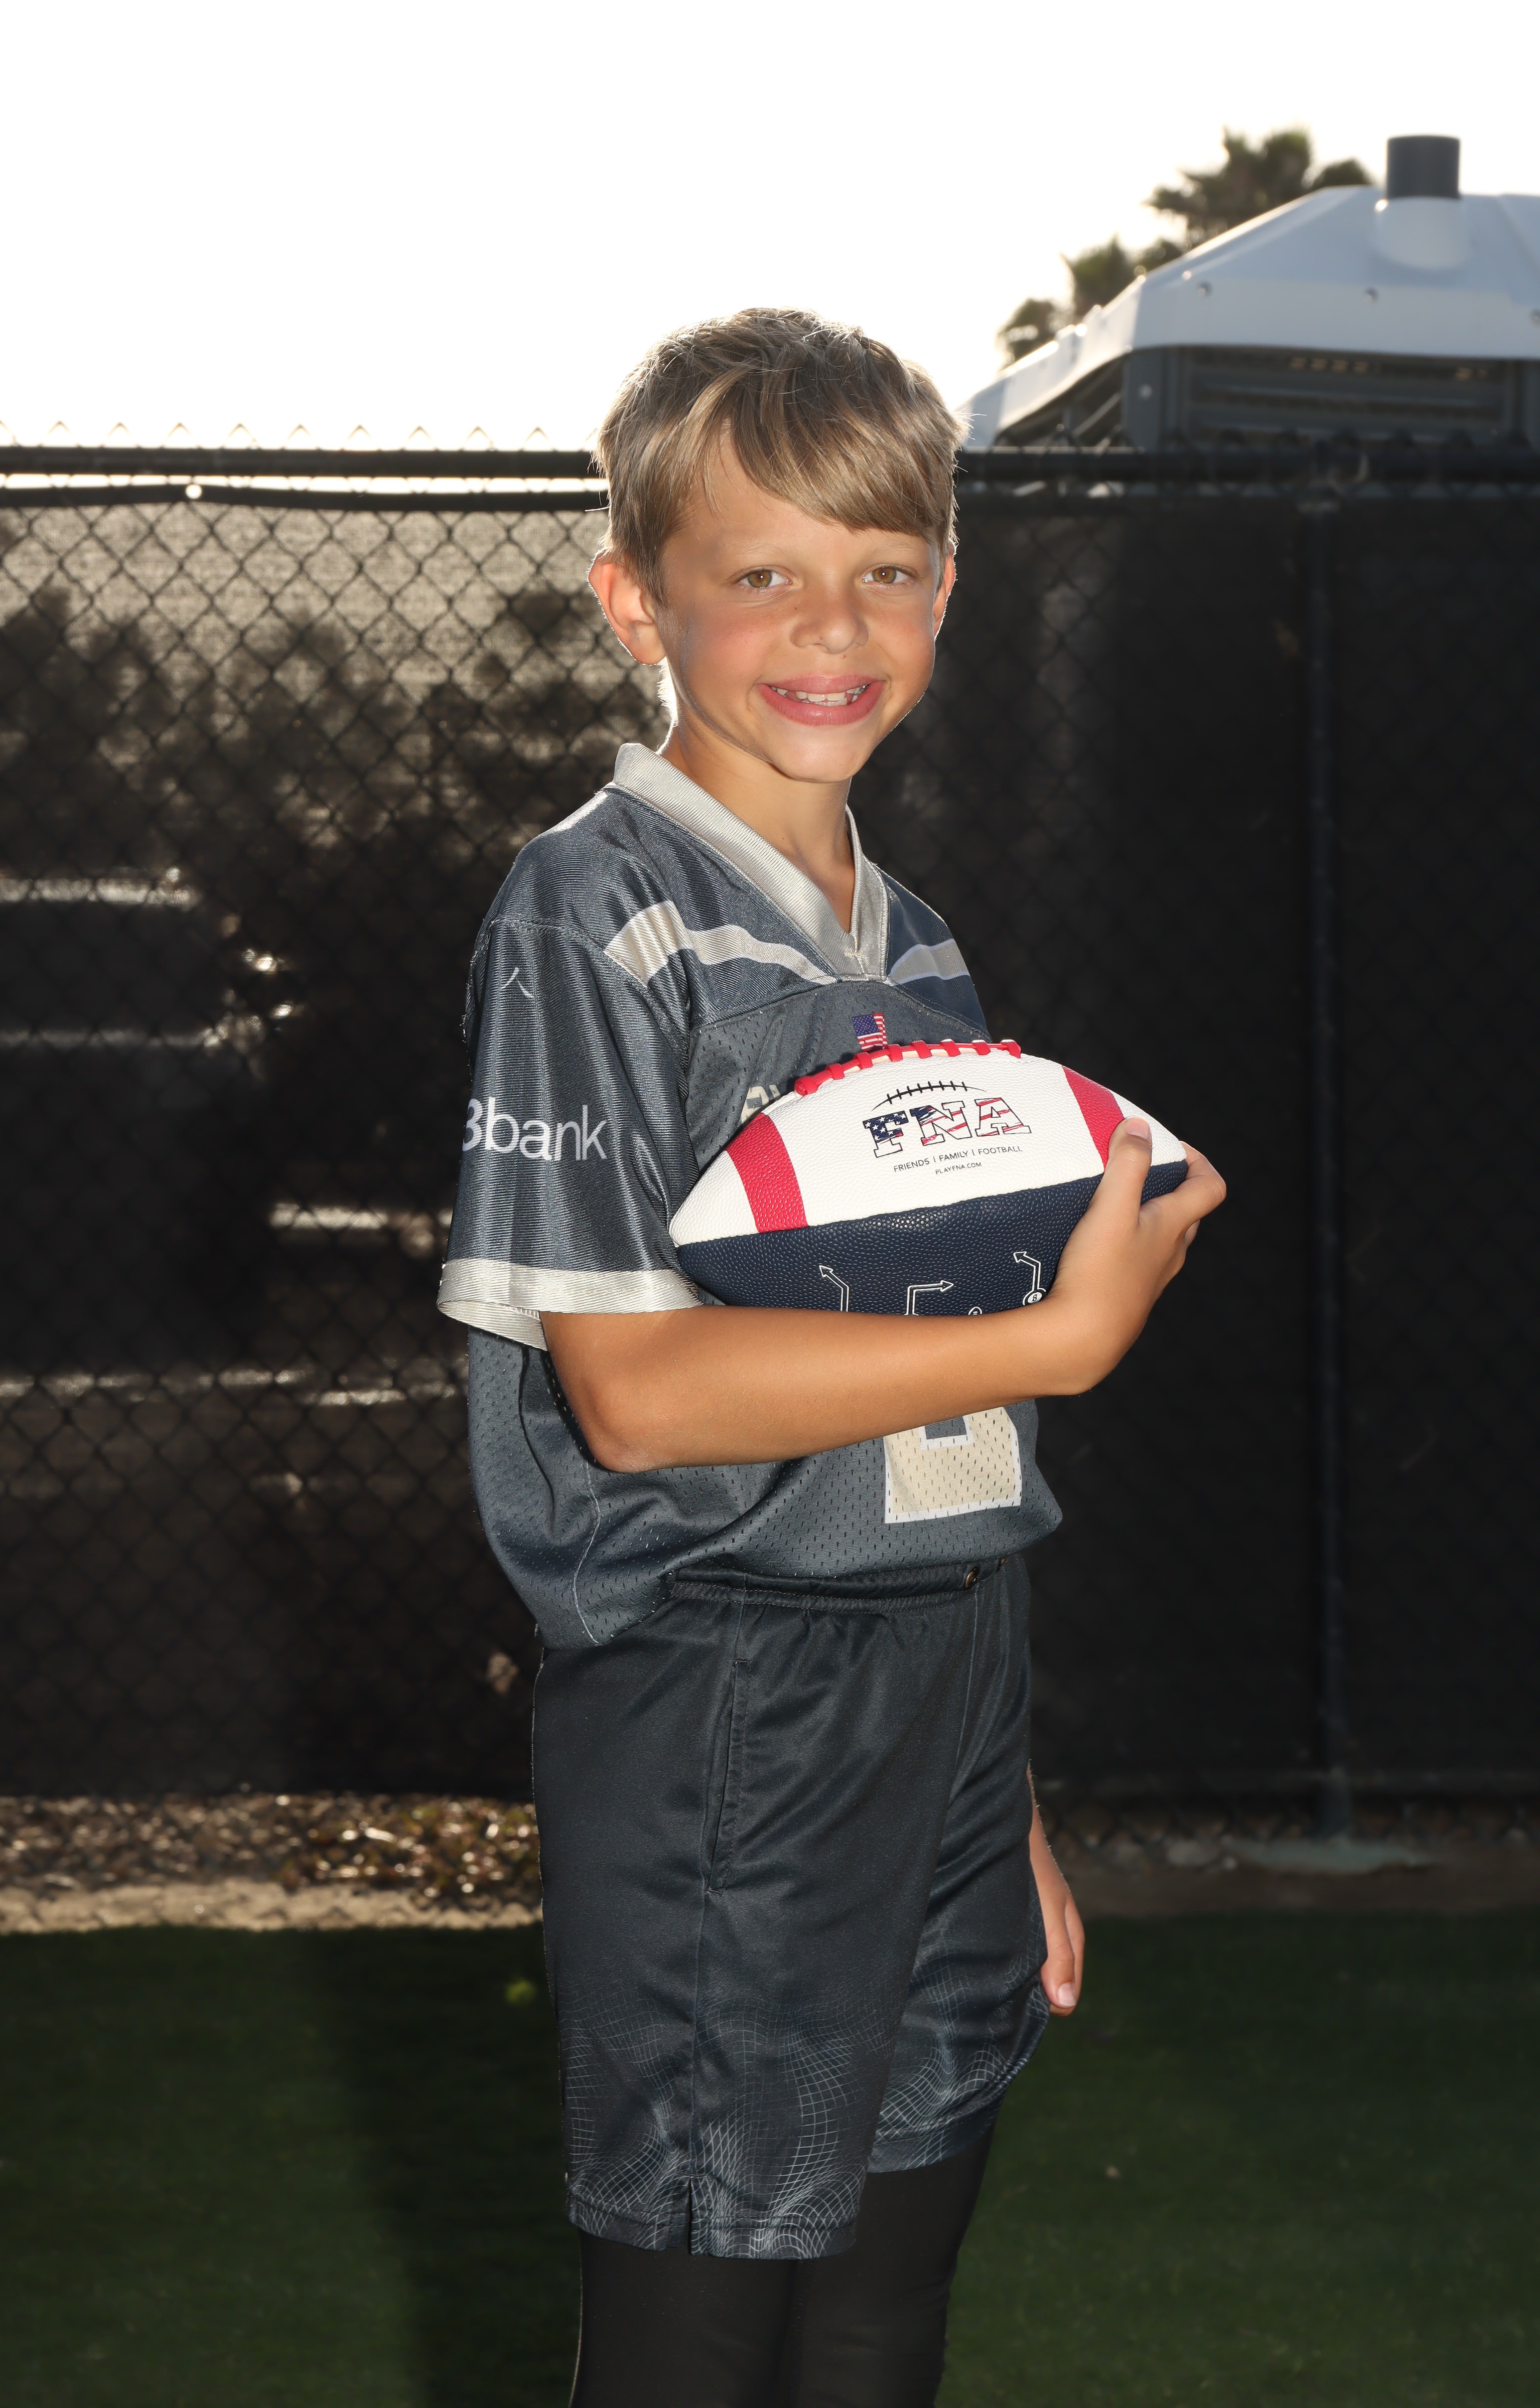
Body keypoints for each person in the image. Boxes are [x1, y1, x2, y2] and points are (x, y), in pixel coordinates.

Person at [438, 308, 1225, 2407]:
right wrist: (1068, 1330)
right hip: (730, 1699)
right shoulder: (594, 914)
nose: (832, 623)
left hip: (943, 1682)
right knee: (701, 2332)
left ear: (948, 589)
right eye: (762, 570)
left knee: (885, 2303)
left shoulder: (917, 942)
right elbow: (632, 1396)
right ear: (636, 601)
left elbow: (927, 1391)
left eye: (884, 566)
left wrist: (1000, 1779)